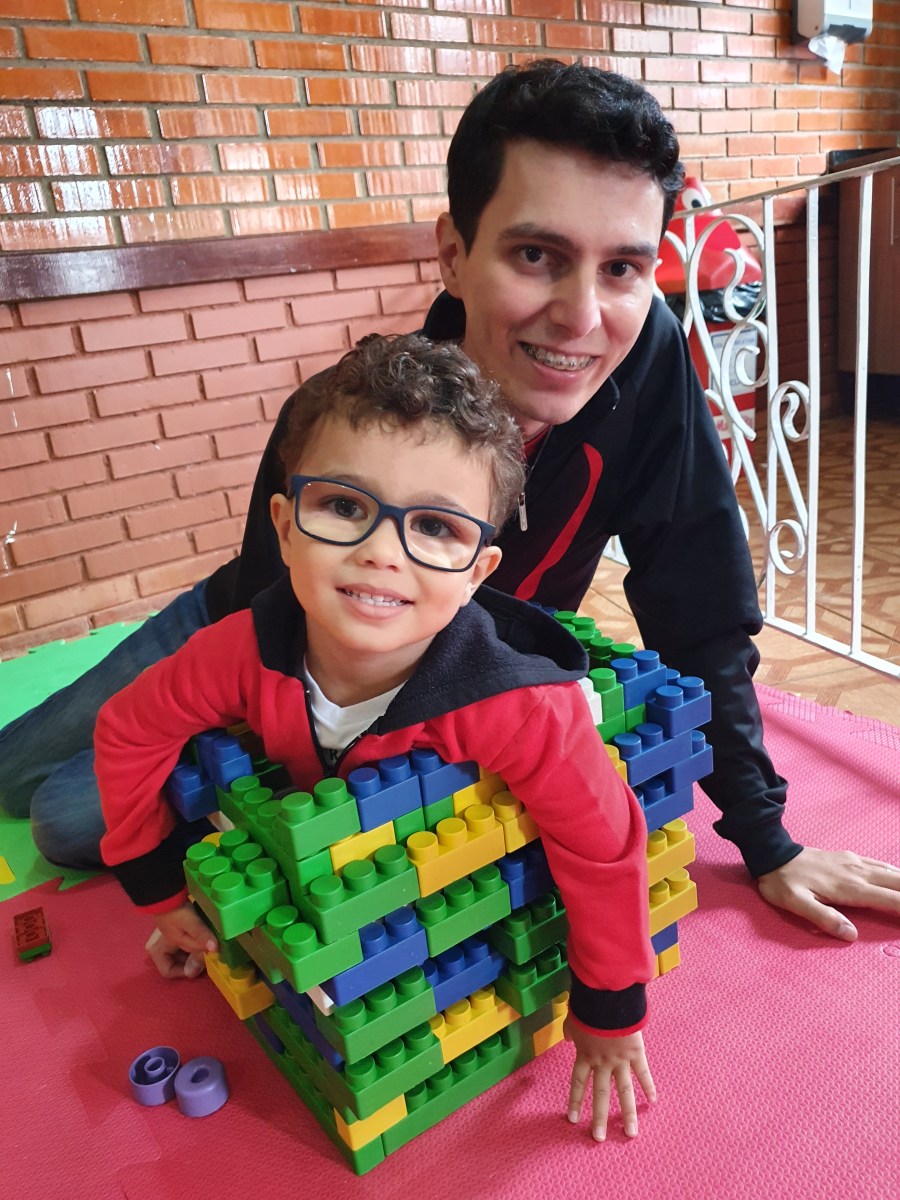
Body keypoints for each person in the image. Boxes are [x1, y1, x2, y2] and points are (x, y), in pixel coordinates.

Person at [2, 59, 897, 940]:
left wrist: (767, 839)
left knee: (66, 821)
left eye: (623, 267)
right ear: (455, 254)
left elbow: (699, 608)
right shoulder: (355, 407)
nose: (582, 316)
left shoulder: (647, 356)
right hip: (261, 629)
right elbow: (284, 629)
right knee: (15, 772)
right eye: (537, 255)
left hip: (419, 657)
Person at [95, 333, 657, 1142]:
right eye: (344, 507)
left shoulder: (523, 708)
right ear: (284, 526)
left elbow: (601, 844)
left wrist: (609, 1009)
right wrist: (163, 889)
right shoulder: (243, 648)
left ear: (479, 571)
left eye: (434, 526)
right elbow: (128, 729)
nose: (381, 552)